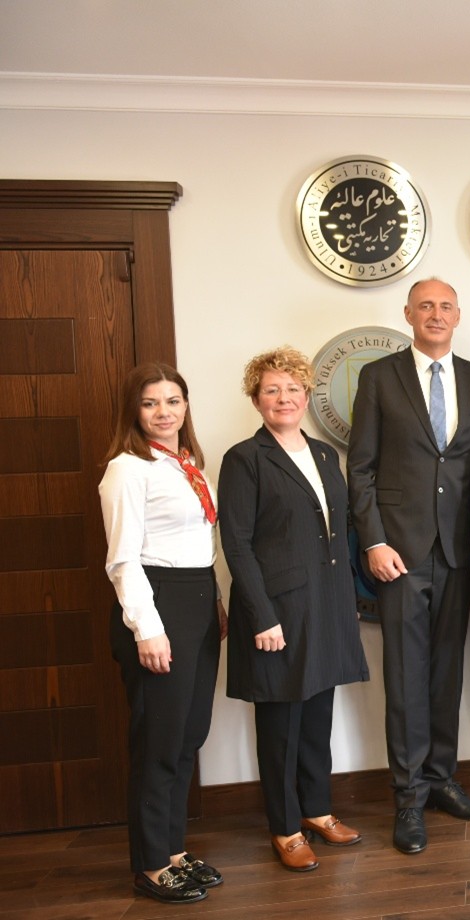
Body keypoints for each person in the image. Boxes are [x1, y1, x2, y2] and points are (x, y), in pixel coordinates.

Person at [347, 277, 470, 854]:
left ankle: (441, 780)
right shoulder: (378, 377)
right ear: (408, 313)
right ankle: (408, 797)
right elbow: (360, 468)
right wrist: (374, 541)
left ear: (458, 316)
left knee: (446, 673)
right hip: (400, 554)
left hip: (459, 551)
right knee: (406, 677)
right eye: (426, 306)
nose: (436, 314)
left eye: (446, 307)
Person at [218, 347, 370, 871]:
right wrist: (262, 615)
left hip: (325, 606)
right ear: (256, 400)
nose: (284, 398)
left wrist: (346, 601)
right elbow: (237, 545)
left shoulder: (325, 454)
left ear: (306, 395)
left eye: (292, 389)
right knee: (281, 725)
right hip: (277, 613)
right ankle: (285, 828)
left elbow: (339, 533)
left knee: (317, 719)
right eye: (271, 390)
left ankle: (317, 810)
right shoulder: (245, 458)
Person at [99, 362, 226, 904]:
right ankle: (151, 865)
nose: (163, 412)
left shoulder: (186, 463)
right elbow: (123, 560)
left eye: (173, 400)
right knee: (158, 741)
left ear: (185, 405)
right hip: (157, 607)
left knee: (187, 736)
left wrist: (214, 603)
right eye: (150, 402)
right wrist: (147, 630)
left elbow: (200, 544)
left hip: (197, 602)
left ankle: (174, 851)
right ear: (134, 410)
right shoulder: (127, 469)